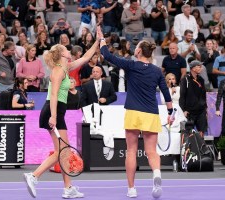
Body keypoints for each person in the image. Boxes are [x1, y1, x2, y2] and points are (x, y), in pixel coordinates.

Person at [97, 26, 173, 198]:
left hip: (133, 113)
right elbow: (165, 93)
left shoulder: (131, 65)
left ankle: (131, 189)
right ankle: (157, 175)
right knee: (152, 151)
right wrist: (171, 112)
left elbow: (107, 56)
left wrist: (101, 39)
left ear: (138, 51)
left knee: (131, 151)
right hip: (151, 114)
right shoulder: (156, 71)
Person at [23, 38, 101, 198]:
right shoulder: (58, 71)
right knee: (62, 152)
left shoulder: (66, 68)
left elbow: (86, 57)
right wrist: (53, 116)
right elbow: (53, 94)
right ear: (61, 54)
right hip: (53, 111)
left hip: (58, 111)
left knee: (63, 152)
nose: (69, 51)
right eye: (66, 49)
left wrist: (98, 41)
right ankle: (34, 176)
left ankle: (68, 188)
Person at [179, 60, 207, 137]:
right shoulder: (185, 79)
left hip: (201, 110)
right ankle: (189, 148)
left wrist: (205, 108)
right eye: (199, 66)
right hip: (189, 111)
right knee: (189, 132)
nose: (201, 68)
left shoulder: (201, 79)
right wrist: (183, 110)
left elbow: (203, 95)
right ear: (193, 68)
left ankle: (201, 148)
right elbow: (182, 96)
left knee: (202, 131)